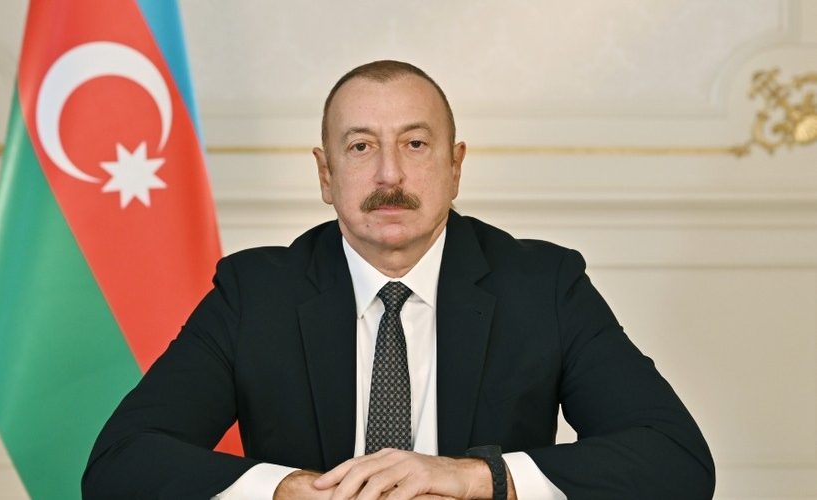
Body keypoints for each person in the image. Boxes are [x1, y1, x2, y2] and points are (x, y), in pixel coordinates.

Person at [82, 60, 714, 499]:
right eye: (361, 147)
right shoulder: (256, 293)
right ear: (325, 174)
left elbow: (675, 458)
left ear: (455, 165)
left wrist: (474, 479)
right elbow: (120, 463)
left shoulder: (543, 284)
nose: (390, 175)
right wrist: (285, 491)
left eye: (415, 144)